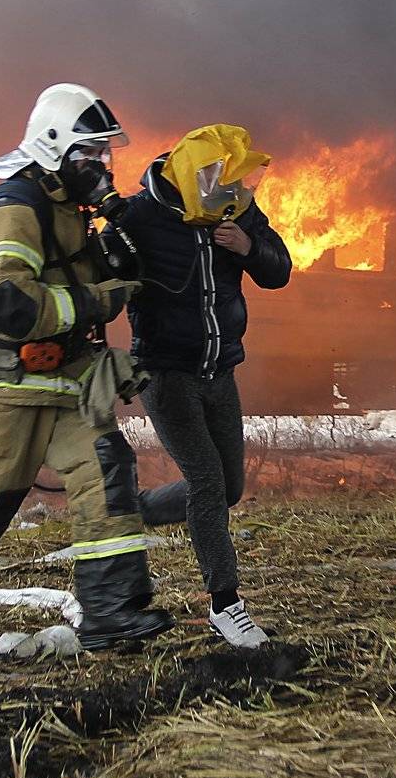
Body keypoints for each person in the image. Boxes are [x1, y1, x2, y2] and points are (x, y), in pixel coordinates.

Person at [0, 83, 173, 662]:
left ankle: (111, 613)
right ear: (54, 146)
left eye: (105, 153)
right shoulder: (13, 210)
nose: (102, 164)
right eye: (90, 153)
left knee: (105, 470)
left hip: (65, 383)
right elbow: (6, 302)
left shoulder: (66, 210)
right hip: (5, 386)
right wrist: (99, 300)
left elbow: (71, 276)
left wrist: (114, 261)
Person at [114, 124, 292, 648]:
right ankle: (226, 605)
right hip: (166, 373)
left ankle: (132, 510)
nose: (233, 189)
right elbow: (104, 279)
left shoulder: (236, 211)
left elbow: (279, 271)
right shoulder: (138, 217)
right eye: (222, 178)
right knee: (208, 482)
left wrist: (247, 246)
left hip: (219, 371)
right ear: (196, 176)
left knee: (228, 488)